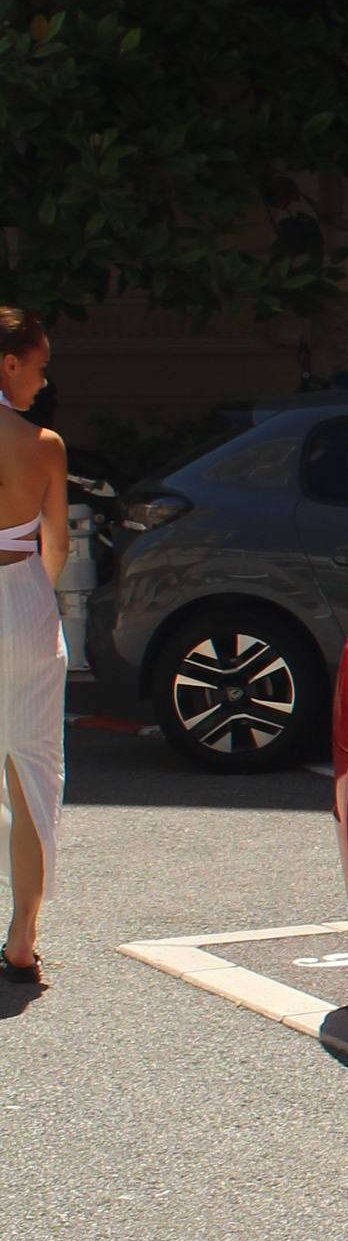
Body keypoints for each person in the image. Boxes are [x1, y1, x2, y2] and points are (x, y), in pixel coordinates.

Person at [0, 304, 68, 990]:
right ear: (8, 363)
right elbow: (57, 545)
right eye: (37, 367)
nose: (42, 382)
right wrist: (31, 601)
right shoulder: (43, 444)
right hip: (19, 597)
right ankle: (21, 938)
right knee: (31, 771)